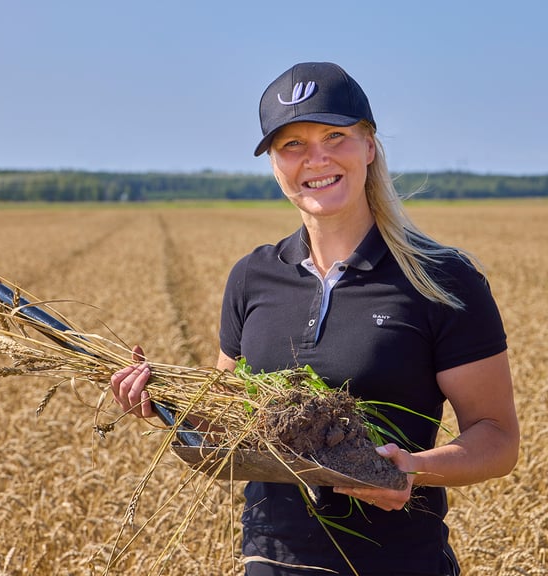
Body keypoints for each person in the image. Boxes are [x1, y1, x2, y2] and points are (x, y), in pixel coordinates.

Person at [111, 62, 519, 576]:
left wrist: (412, 468)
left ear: (369, 146)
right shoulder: (252, 277)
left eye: (335, 136)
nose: (316, 158)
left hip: (397, 563)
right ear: (275, 166)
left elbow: (497, 437)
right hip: (271, 558)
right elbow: (228, 423)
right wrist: (165, 404)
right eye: (292, 145)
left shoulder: (441, 279)